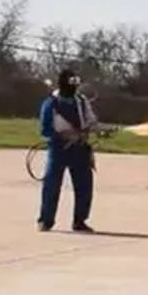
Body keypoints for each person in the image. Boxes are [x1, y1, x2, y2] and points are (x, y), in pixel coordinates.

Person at [37, 68, 98, 232]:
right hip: (58, 150)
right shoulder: (51, 103)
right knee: (51, 185)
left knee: (85, 186)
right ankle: (46, 220)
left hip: (80, 149)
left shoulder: (81, 101)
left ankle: (80, 221)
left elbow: (91, 121)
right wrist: (64, 136)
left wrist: (89, 131)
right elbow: (45, 129)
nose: (73, 89)